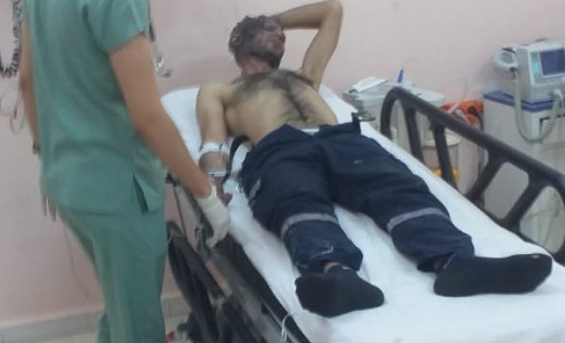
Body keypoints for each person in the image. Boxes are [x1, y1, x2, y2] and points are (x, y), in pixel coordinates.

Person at [196, 1, 553, 319]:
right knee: (295, 199)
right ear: (239, 41)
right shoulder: (221, 90)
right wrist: (211, 187)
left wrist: (272, 21)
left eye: (281, 32)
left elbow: (331, 10)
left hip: (341, 140)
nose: (280, 35)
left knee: (399, 188)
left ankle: (455, 263)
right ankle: (338, 276)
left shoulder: (305, 76)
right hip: (280, 148)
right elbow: (212, 142)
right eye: (270, 31)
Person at [18, 1, 230, 343]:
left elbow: (27, 80)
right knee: (138, 338)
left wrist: (48, 154)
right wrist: (206, 196)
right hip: (117, 191)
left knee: (120, 318)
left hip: (69, 182)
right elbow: (147, 116)